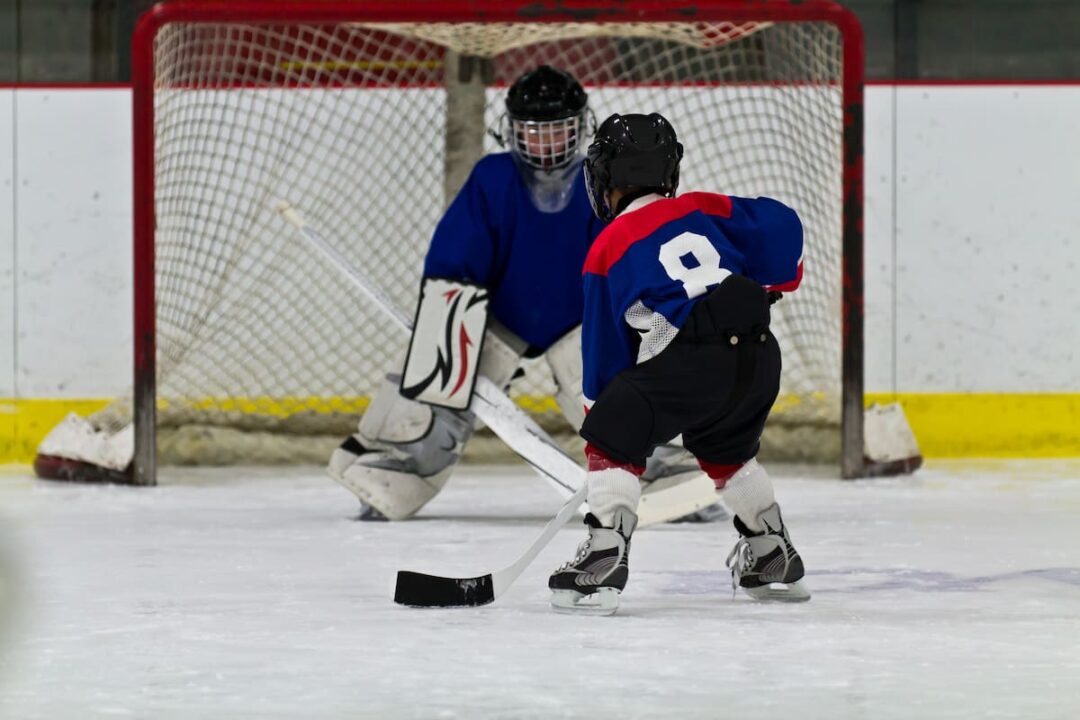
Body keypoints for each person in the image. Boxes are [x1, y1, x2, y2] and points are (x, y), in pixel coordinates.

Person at [328, 67, 725, 523]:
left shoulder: (608, 177)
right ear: (512, 131)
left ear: (581, 127)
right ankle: (395, 465)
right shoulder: (493, 178)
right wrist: (449, 322)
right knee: (438, 358)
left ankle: (666, 470)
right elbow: (456, 256)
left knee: (625, 381)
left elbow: (630, 253)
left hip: (583, 315)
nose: (546, 143)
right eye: (534, 132)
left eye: (558, 129)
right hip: (500, 315)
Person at [548, 112, 810, 614]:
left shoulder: (607, 247)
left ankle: (604, 553)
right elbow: (782, 226)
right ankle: (771, 550)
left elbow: (605, 357)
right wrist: (767, 281)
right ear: (668, 172)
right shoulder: (704, 207)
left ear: (601, 180)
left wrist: (606, 433)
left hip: (692, 358)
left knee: (612, 433)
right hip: (759, 355)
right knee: (727, 449)